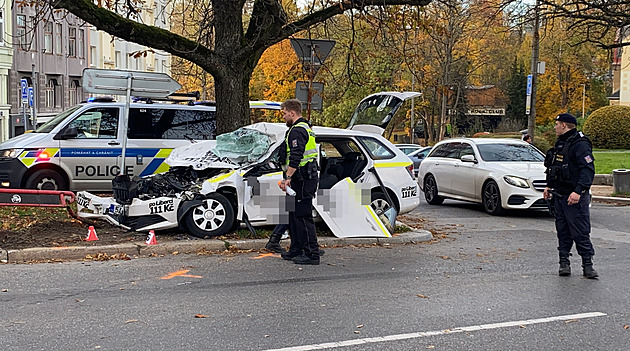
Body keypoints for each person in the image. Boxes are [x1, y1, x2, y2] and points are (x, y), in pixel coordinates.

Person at [543, 113, 598, 278]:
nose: (554, 127)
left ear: (564, 125)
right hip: (559, 195)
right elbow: (555, 168)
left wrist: (579, 191)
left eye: (557, 124)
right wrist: (549, 186)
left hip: (574, 196)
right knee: (563, 231)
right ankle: (564, 263)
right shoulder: (561, 143)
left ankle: (587, 265)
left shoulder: (580, 144)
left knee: (580, 231)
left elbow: (587, 170)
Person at [278, 99, 320, 265]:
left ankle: (312, 253)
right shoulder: (304, 128)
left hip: (303, 179)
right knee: (293, 215)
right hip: (299, 179)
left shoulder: (297, 130)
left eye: (284, 113)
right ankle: (296, 249)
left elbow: (296, 156)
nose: (283, 117)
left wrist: (287, 177)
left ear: (292, 113)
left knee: (303, 216)